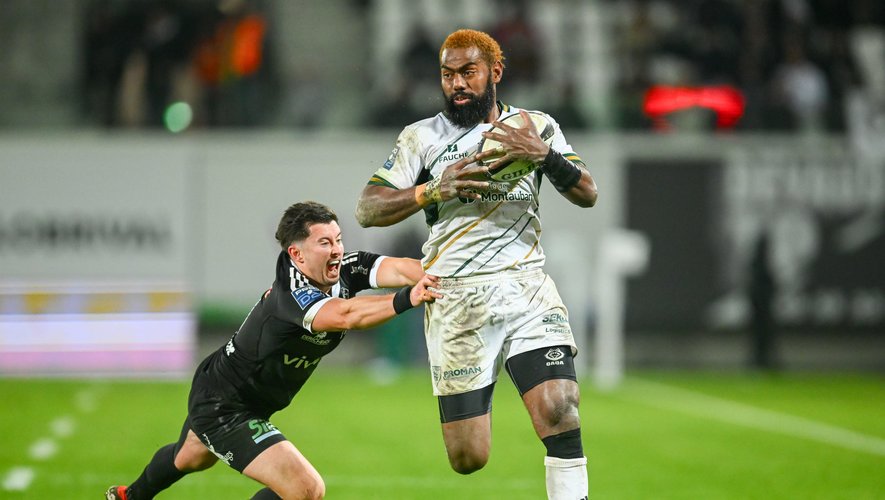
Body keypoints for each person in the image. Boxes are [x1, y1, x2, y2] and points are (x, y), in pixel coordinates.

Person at [355, 28, 598, 500]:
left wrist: (545, 156)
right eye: (448, 75)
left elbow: (587, 193)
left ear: (495, 72)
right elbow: (368, 208)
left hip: (526, 286)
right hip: (456, 296)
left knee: (560, 407)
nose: (458, 84)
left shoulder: (535, 126)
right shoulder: (421, 137)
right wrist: (433, 189)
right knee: (468, 456)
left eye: (468, 72)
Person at [106, 201, 441, 500]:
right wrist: (408, 298)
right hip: (225, 404)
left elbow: (401, 268)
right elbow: (346, 315)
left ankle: (129, 497)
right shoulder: (291, 295)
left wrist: (448, 278)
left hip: (241, 396)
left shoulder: (344, 269)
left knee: (191, 456)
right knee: (305, 489)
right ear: (297, 254)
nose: (337, 250)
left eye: (338, 239)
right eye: (324, 243)